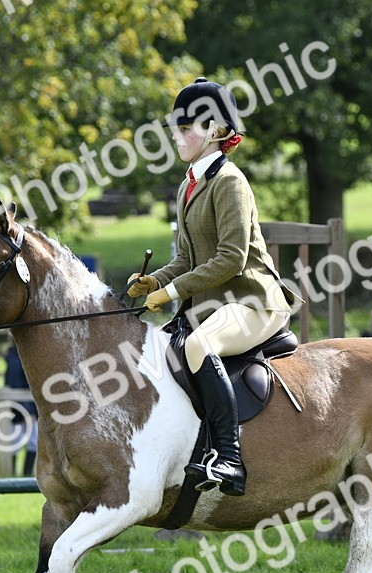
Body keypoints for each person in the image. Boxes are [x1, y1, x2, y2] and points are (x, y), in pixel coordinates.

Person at [126, 77, 298, 496]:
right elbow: (187, 258)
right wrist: (155, 280)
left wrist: (169, 293)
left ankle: (230, 458)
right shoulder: (190, 184)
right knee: (154, 356)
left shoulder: (230, 181)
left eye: (186, 129)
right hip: (214, 304)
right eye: (177, 128)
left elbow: (231, 258)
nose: (177, 136)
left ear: (217, 131)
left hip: (255, 302)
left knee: (198, 345)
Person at [5, 342, 38, 477]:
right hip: (20, 408)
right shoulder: (15, 360)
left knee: (32, 442)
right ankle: (13, 473)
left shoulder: (19, 357)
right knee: (17, 443)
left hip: (27, 407)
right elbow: (15, 386)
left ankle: (25, 473)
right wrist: (28, 411)